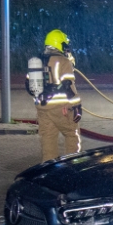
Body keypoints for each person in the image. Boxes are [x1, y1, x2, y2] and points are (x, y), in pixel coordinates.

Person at [28, 29, 81, 162]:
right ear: (59, 44)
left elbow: (29, 84)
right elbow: (69, 86)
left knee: (48, 139)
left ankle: (48, 169)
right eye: (65, 45)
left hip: (42, 108)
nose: (66, 48)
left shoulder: (37, 60)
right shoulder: (63, 62)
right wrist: (76, 106)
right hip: (61, 109)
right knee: (72, 135)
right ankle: (72, 166)